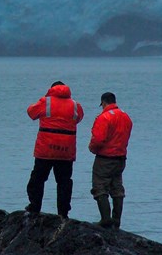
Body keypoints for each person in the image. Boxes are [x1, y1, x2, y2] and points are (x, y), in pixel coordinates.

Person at [25, 81, 84, 218]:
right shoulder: (75, 105)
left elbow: (31, 112)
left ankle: (34, 207)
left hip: (45, 149)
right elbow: (79, 118)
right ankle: (63, 213)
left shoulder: (46, 102)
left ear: (51, 90)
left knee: (37, 179)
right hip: (66, 150)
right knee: (64, 182)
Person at [88, 92, 133, 229]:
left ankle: (106, 219)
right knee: (117, 187)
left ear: (104, 102)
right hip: (120, 158)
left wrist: (92, 148)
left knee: (100, 187)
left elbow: (98, 139)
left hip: (105, 158)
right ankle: (116, 220)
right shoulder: (126, 117)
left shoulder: (104, 117)